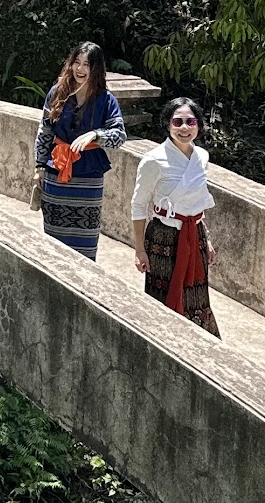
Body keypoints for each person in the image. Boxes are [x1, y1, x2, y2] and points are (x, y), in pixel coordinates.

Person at [131, 95, 219, 334]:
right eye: (177, 122)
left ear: (198, 125)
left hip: (195, 235)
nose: (183, 128)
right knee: (163, 296)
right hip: (163, 238)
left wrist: (206, 238)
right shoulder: (153, 160)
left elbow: (197, 200)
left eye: (190, 122)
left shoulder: (202, 157)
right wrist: (140, 250)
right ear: (168, 124)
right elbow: (139, 206)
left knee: (197, 295)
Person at [31, 40, 126, 262]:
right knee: (53, 244)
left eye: (87, 64)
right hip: (57, 174)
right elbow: (44, 132)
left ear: (96, 69)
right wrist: (39, 168)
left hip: (89, 178)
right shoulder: (57, 92)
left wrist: (95, 135)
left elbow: (119, 135)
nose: (80, 69)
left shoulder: (106, 99)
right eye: (77, 62)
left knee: (86, 241)